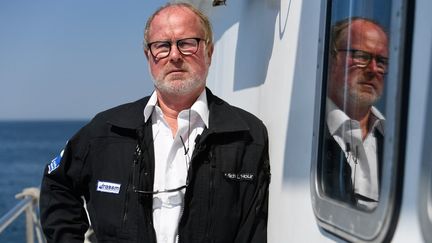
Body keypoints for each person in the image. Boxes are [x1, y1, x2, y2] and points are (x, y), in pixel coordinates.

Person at [39, 3, 270, 243]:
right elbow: (58, 184)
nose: (175, 55)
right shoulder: (105, 130)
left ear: (209, 52)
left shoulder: (247, 134)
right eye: (162, 46)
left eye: (187, 43)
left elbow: (253, 228)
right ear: (149, 56)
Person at [321, 17, 388, 210]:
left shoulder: (396, 143)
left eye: (381, 61)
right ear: (331, 59)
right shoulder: (307, 130)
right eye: (361, 56)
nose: (373, 69)